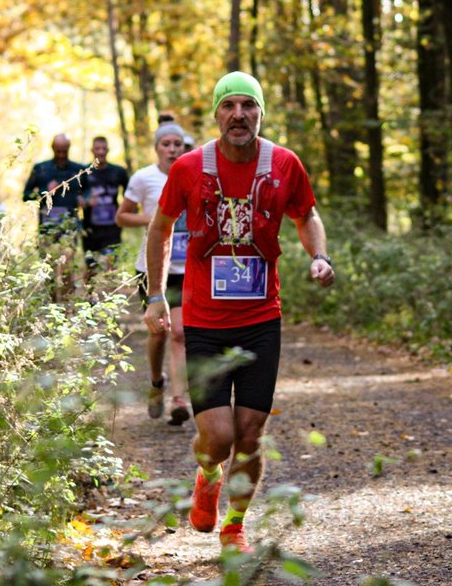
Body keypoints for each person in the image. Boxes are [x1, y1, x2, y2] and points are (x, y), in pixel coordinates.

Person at [143, 71, 335, 553]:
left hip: (260, 320)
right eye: (229, 105)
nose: (239, 115)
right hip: (204, 321)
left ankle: (234, 526)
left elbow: (306, 215)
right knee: (219, 438)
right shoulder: (190, 168)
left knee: (250, 433)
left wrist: (319, 255)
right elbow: (160, 228)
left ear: (260, 113)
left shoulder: (284, 164)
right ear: (216, 114)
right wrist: (156, 295)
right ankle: (207, 473)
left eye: (249, 105)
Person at [116, 121, 191, 426]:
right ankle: (157, 383)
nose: (172, 150)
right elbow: (122, 216)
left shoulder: (196, 174)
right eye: (166, 144)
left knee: (180, 333)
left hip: (186, 268)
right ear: (157, 148)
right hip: (152, 267)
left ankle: (179, 399)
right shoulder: (143, 178)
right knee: (158, 333)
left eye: (178, 144)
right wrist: (154, 219)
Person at [22, 133, 87, 299]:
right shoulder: (41, 169)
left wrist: (84, 199)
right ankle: (50, 304)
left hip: (69, 228)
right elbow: (26, 195)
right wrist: (45, 191)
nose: (61, 155)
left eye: (64, 151)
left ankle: (66, 306)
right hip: (47, 229)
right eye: (58, 151)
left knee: (67, 267)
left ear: (69, 149)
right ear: (52, 148)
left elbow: (89, 191)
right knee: (48, 268)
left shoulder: (78, 169)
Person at [80, 136, 128, 276]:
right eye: (97, 148)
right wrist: (86, 201)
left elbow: (130, 195)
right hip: (90, 228)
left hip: (112, 227)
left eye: (103, 148)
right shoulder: (84, 172)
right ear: (92, 150)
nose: (101, 152)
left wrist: (124, 212)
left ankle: (111, 289)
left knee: (111, 264)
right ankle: (90, 289)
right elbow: (76, 196)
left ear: (108, 150)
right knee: (91, 265)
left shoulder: (118, 171)